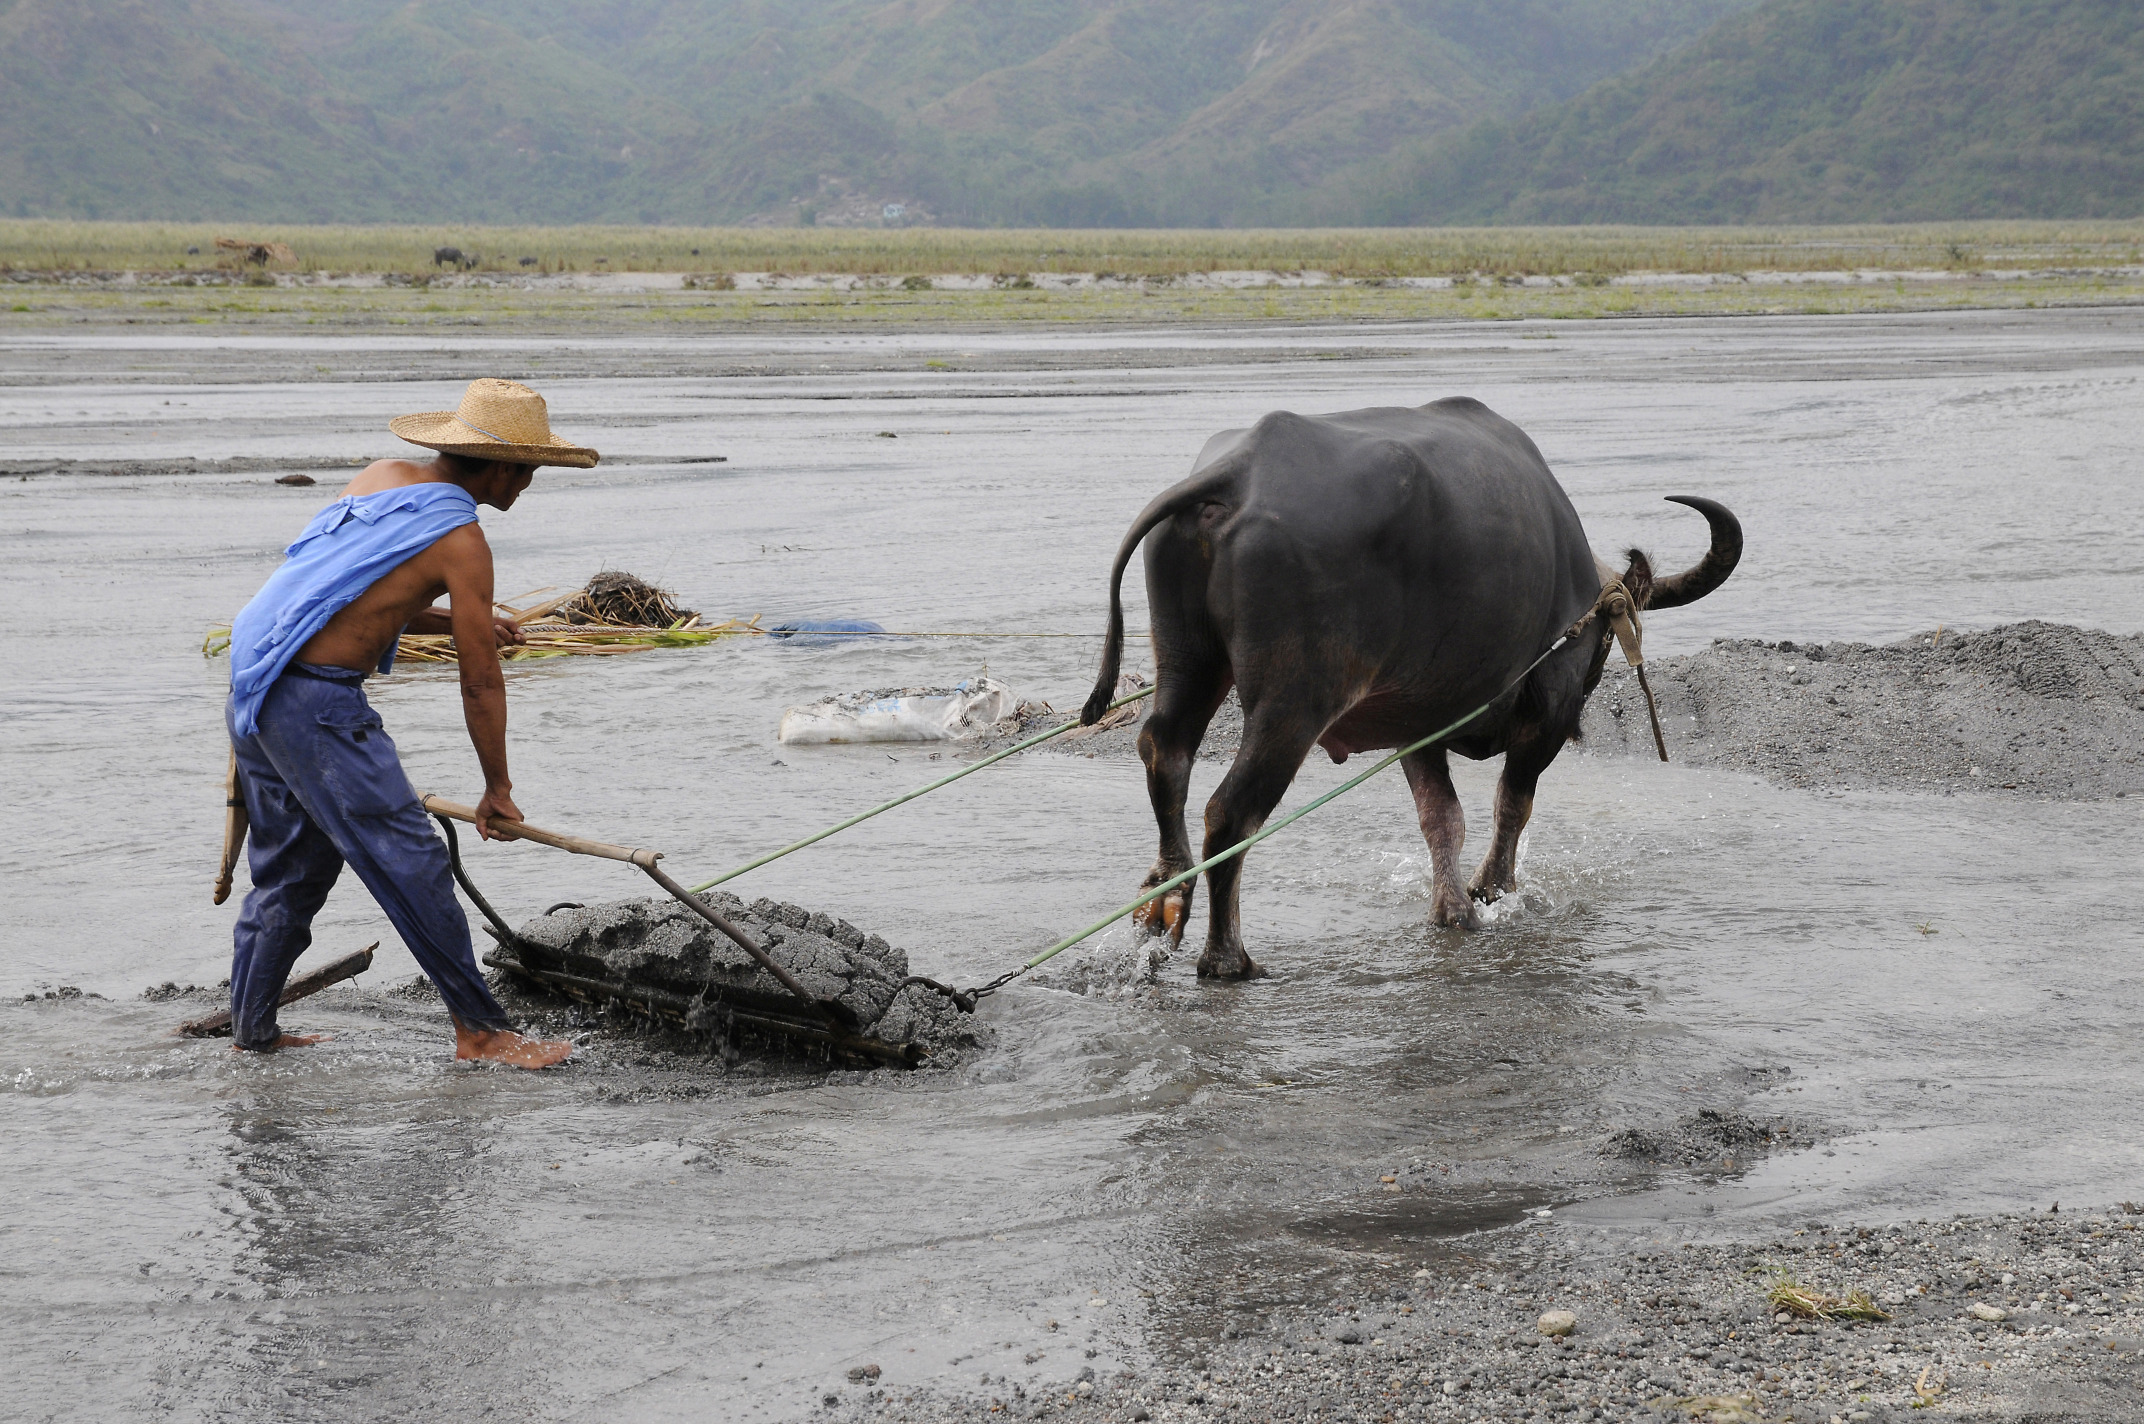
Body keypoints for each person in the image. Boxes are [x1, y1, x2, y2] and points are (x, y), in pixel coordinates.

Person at [222, 378, 597, 1067]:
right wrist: (497, 789)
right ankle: (481, 1033)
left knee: (294, 872)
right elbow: (480, 681)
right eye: (530, 471)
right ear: (503, 468)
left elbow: (343, 592)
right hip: (314, 704)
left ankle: (252, 1033)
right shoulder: (461, 539)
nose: (529, 485)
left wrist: (458, 619)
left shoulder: (381, 477)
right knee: (414, 859)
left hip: (257, 681)